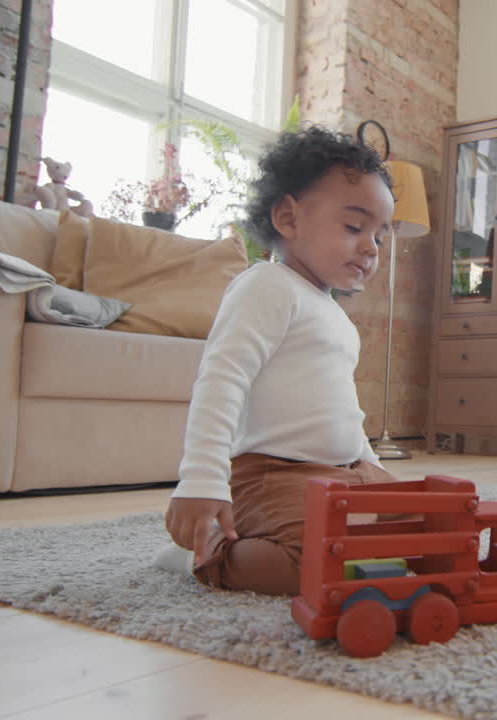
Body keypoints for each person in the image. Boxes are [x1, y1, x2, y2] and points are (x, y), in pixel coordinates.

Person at [154, 126, 398, 596]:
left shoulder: (335, 316)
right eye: (353, 227)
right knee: (316, 562)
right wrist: (202, 479)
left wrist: (373, 470)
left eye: (380, 237)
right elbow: (221, 380)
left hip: (345, 471)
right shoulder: (266, 285)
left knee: (425, 528)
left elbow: (344, 410)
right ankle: (206, 557)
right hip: (273, 475)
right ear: (288, 218)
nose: (371, 247)